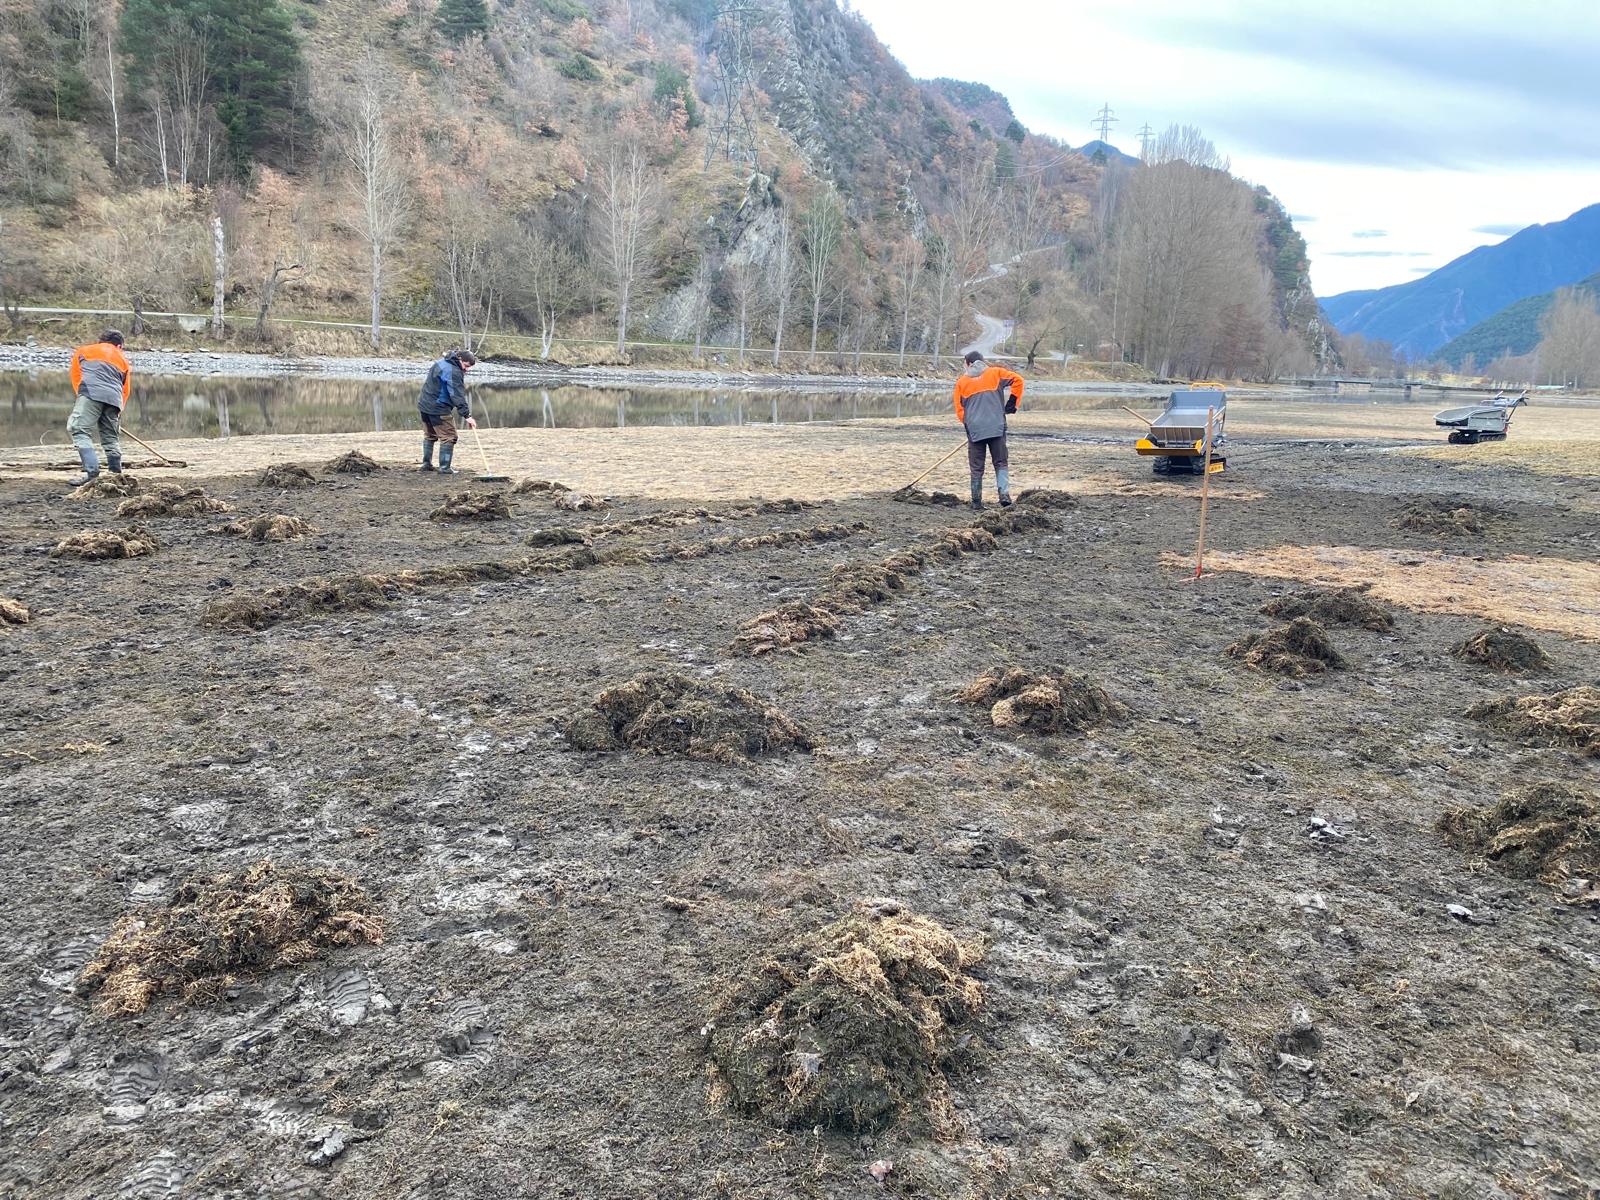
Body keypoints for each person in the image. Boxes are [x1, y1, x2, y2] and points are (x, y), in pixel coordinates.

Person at [953, 350, 1024, 509]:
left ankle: (976, 502)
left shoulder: (961, 382)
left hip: (975, 430)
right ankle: (1004, 496)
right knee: (1000, 462)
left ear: (969, 363)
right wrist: (1012, 404)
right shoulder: (996, 373)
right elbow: (1018, 380)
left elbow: (959, 410)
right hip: (996, 427)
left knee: (976, 467)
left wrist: (970, 424)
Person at [67, 330, 132, 485]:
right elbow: (126, 389)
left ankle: (92, 472)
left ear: (100, 341)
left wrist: (83, 397)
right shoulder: (123, 359)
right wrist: (118, 408)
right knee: (110, 436)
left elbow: (76, 377)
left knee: (78, 428)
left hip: (90, 393)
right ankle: (115, 474)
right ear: (119, 345)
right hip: (115, 399)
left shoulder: (84, 351)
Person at [418, 348, 478, 474]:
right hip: (438, 408)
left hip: (424, 405)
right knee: (449, 437)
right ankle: (445, 468)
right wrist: (467, 415)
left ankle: (426, 464)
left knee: (430, 435)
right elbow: (456, 394)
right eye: (466, 366)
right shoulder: (454, 371)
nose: (466, 369)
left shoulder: (440, 363)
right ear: (460, 359)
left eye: (469, 368)